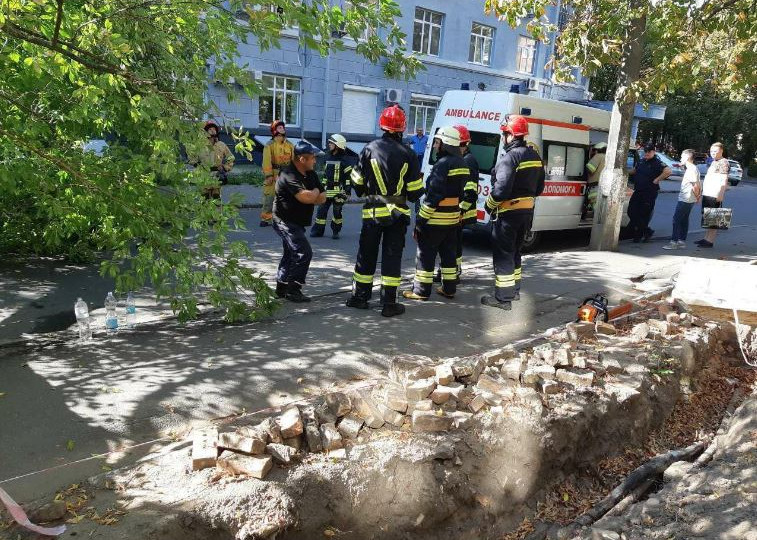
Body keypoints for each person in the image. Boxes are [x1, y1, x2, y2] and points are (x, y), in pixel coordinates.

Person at [346, 104, 424, 317]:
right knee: (392, 258)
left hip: (372, 214)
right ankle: (389, 304)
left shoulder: (369, 148)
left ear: (382, 125)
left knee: (366, 255)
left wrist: (366, 192)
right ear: (401, 129)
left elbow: (357, 182)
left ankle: (359, 298)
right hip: (397, 216)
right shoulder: (409, 153)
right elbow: (416, 193)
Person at [481, 115, 545, 310]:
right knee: (515, 252)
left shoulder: (510, 158)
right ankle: (514, 291)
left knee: (503, 255)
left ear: (510, 135)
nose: (503, 137)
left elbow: (500, 191)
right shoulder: (535, 157)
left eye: (504, 134)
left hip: (508, 214)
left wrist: (489, 206)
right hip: (527, 214)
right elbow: (540, 188)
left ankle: (503, 298)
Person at [403, 126, 471, 301]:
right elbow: (462, 193)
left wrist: (420, 220)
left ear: (445, 143)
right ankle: (449, 288)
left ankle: (420, 291)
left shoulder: (442, 165)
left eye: (437, 142)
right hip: (452, 219)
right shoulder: (462, 163)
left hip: (435, 220)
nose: (434, 146)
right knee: (449, 255)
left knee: (425, 255)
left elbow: (434, 196)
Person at [271, 141, 326, 302]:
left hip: (297, 221)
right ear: (302, 159)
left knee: (290, 253)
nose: (315, 161)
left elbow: (322, 198)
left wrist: (313, 195)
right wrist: (314, 193)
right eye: (313, 158)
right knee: (303, 252)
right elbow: (306, 197)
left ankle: (281, 288)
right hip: (284, 220)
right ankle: (293, 290)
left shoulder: (311, 174)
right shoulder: (288, 174)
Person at [310, 134, 356, 240]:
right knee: (321, 211)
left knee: (337, 212)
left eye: (331, 143)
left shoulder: (345, 161)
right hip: (327, 190)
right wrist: (321, 188)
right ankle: (318, 231)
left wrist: (347, 191)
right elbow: (326, 175)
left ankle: (336, 231)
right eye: (329, 142)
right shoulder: (328, 157)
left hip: (339, 191)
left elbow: (348, 178)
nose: (329, 144)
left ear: (338, 145)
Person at [627, 143, 671, 243]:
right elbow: (635, 170)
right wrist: (625, 172)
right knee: (631, 211)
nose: (646, 153)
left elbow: (668, 171)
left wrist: (657, 179)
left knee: (644, 214)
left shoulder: (657, 162)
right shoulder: (641, 161)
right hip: (638, 190)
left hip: (649, 192)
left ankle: (638, 236)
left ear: (653, 152)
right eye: (645, 151)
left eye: (649, 151)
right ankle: (647, 231)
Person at [663, 149, 701, 250]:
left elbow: (695, 186)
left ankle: (673, 242)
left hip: (686, 198)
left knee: (676, 220)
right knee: (684, 220)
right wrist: (697, 196)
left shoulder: (691, 169)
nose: (680, 158)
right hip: (689, 198)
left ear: (687, 157)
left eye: (682, 156)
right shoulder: (692, 168)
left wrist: (697, 196)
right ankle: (681, 241)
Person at [696, 142, 730, 248]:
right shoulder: (714, 161)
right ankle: (706, 238)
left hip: (714, 194)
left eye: (716, 151)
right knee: (708, 217)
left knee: (714, 218)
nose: (713, 153)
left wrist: (721, 194)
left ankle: (710, 241)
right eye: (712, 151)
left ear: (721, 151)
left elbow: (724, 180)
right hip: (708, 193)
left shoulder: (724, 162)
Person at [261, 120, 294, 227]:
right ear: (274, 130)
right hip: (273, 173)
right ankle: (266, 218)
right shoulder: (269, 145)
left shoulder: (290, 145)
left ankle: (284, 218)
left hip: (286, 173)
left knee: (286, 197)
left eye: (283, 127)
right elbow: (266, 160)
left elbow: (294, 161)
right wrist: (268, 175)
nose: (282, 129)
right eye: (279, 127)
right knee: (269, 197)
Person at [198, 120, 234, 200]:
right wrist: (196, 165)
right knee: (204, 200)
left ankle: (217, 212)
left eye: (214, 129)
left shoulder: (221, 145)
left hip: (217, 176)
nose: (212, 130)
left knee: (216, 199)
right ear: (205, 132)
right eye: (210, 129)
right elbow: (191, 157)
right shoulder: (200, 144)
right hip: (204, 176)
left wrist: (225, 167)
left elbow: (231, 158)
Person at [584, 141, 607, 217]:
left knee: (596, 209)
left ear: (598, 150)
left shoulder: (598, 156)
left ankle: (598, 226)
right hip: (603, 186)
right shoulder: (608, 157)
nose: (594, 152)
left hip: (595, 186)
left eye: (594, 150)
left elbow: (590, 169)